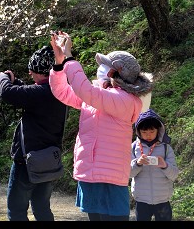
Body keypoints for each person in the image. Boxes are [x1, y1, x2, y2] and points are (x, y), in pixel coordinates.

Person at [49, 30, 154, 221]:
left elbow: (85, 91)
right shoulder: (98, 95)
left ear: (116, 72)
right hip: (91, 173)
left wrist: (69, 59)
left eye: (105, 66)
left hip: (110, 177)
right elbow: (62, 92)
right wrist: (59, 63)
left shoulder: (125, 100)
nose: (100, 69)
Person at [0, 45, 68, 221]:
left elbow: (7, 92)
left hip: (27, 162)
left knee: (17, 211)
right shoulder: (60, 91)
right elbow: (32, 93)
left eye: (33, 70)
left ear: (42, 72)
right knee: (42, 208)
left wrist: (2, 78)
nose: (30, 73)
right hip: (49, 161)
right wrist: (16, 81)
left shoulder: (40, 94)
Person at [130, 109, 179, 221]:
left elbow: (175, 175)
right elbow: (128, 174)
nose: (148, 135)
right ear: (138, 131)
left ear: (158, 130)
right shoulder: (133, 148)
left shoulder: (166, 148)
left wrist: (164, 165)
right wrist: (137, 163)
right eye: (144, 132)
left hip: (163, 200)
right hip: (141, 200)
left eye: (152, 132)